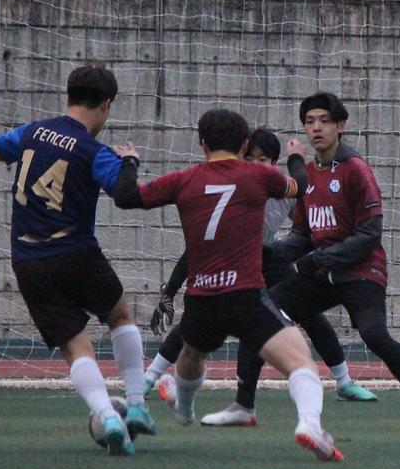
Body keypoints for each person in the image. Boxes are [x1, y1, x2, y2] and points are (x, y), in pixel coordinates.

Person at [114, 109, 343, 461]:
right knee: (301, 362)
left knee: (191, 354)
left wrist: (129, 162)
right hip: (245, 297)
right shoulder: (259, 176)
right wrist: (297, 157)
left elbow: (125, 197)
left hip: (202, 298)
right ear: (244, 145)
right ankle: (310, 423)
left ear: (203, 143)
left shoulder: (182, 180)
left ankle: (185, 409)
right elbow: (300, 186)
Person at [142, 127, 378, 427]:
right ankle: (149, 377)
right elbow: (195, 250)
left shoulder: (281, 191)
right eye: (249, 158)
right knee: (197, 322)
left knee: (309, 313)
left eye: (263, 159)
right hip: (232, 262)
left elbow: (307, 223)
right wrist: (170, 291)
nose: (255, 164)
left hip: (270, 257)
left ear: (274, 163)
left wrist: (323, 254)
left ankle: (343, 381)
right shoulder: (236, 187)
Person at [0, 64, 154, 457]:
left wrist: (12, 152)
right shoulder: (93, 152)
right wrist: (129, 161)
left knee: (76, 347)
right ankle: (136, 405)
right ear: (106, 104)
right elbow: (125, 194)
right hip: (76, 252)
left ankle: (107, 416)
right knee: (120, 316)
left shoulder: (31, 133)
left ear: (69, 95)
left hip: (27, 261)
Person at [266, 92, 400, 432]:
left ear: (341, 126)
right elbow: (302, 234)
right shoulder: (308, 175)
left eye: (324, 121)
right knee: (263, 311)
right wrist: (274, 251)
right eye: (309, 122)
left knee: (374, 335)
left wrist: (319, 258)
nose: (316, 128)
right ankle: (244, 404)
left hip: (361, 271)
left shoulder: (356, 169)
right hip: (323, 273)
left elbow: (369, 235)